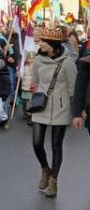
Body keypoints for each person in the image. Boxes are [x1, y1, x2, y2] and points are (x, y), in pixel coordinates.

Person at [29, 27, 76, 198]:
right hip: (41, 106)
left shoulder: (68, 62)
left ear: (52, 44)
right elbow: (35, 80)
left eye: (43, 41)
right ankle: (45, 169)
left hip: (60, 108)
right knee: (36, 143)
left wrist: (77, 111)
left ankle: (54, 181)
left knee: (56, 146)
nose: (39, 43)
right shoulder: (38, 60)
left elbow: (73, 87)